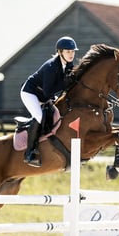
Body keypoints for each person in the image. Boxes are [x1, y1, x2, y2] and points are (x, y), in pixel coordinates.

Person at [20, 36, 78, 166]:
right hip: (30, 93)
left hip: (45, 95)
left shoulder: (68, 64)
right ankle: (29, 153)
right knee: (39, 117)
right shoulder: (51, 66)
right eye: (68, 51)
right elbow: (48, 91)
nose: (71, 54)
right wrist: (65, 84)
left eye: (73, 51)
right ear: (60, 52)